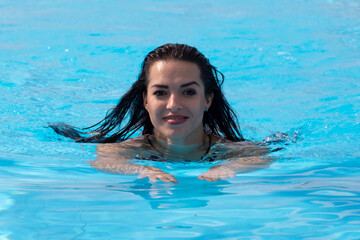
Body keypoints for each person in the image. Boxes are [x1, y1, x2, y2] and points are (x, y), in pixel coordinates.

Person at [50, 43, 272, 183]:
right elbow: (104, 159)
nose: (173, 104)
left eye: (189, 92)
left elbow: (261, 156)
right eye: (160, 93)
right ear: (146, 100)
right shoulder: (136, 150)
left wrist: (228, 167)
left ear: (207, 99)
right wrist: (141, 169)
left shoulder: (225, 151)